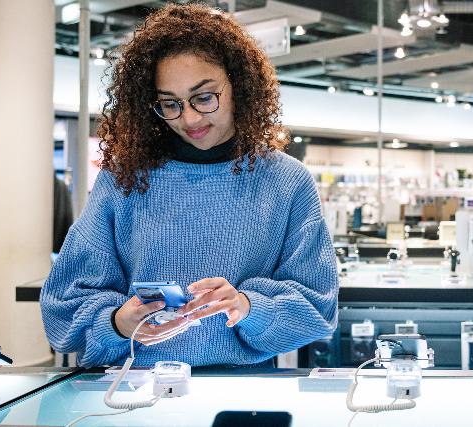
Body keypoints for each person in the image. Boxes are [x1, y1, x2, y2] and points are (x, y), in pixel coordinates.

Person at [40, 4, 339, 368]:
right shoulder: (123, 178)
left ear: (238, 84)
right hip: (132, 389)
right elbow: (64, 303)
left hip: (244, 395)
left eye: (203, 96)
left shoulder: (287, 181)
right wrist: (118, 322)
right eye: (170, 104)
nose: (190, 118)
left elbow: (317, 307)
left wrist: (247, 306)